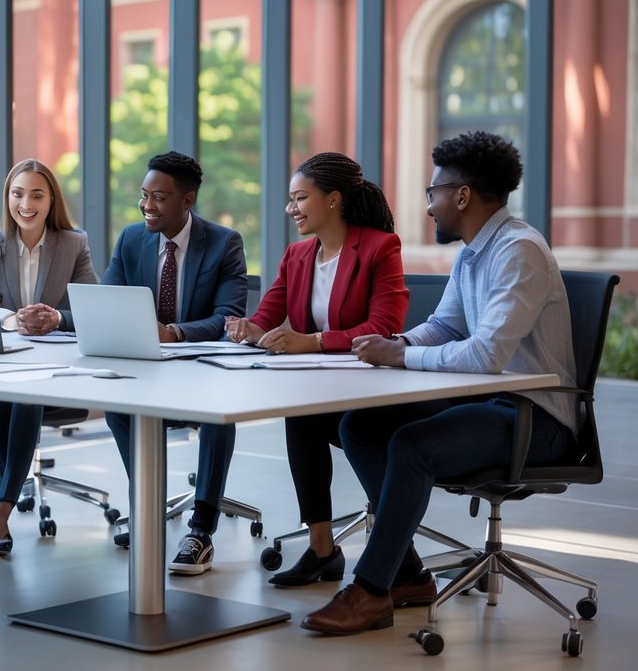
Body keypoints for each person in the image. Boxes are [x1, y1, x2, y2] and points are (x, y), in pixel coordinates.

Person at [301, 131, 578, 636]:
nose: (429, 206)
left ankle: (371, 590)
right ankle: (406, 573)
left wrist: (401, 355)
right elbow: (446, 326)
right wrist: (394, 343)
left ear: (462, 195)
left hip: (534, 418)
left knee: (412, 444)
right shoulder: (473, 253)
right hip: (489, 404)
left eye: (433, 193)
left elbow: (486, 354)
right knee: (361, 426)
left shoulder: (518, 251)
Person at [225, 152, 408, 587]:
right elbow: (265, 319)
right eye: (291, 199)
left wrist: (314, 341)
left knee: (314, 418)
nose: (291, 208)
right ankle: (322, 550)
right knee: (301, 415)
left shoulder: (380, 247)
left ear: (334, 200)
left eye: (300, 198)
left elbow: (384, 327)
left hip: (373, 390)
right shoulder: (297, 255)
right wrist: (246, 329)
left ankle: (399, 556)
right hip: (322, 388)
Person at [94, 150, 248, 574]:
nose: (147, 205)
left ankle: (201, 530)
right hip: (147, 370)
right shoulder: (131, 239)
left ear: (187, 199)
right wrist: (57, 318)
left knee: (219, 417)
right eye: (144, 195)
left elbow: (226, 317)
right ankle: (147, 506)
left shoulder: (223, 243)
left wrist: (176, 332)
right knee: (118, 409)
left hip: (201, 371)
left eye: (159, 198)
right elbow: (106, 303)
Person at [0, 159, 98, 555]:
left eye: (36, 195)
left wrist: (57, 318)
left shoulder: (73, 244)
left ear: (51, 200)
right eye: (17, 194)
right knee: (2, 397)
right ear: (7, 198)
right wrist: (11, 319)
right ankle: (4, 506)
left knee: (25, 396)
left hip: (52, 372)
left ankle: (0, 510)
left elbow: (95, 308)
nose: (26, 204)